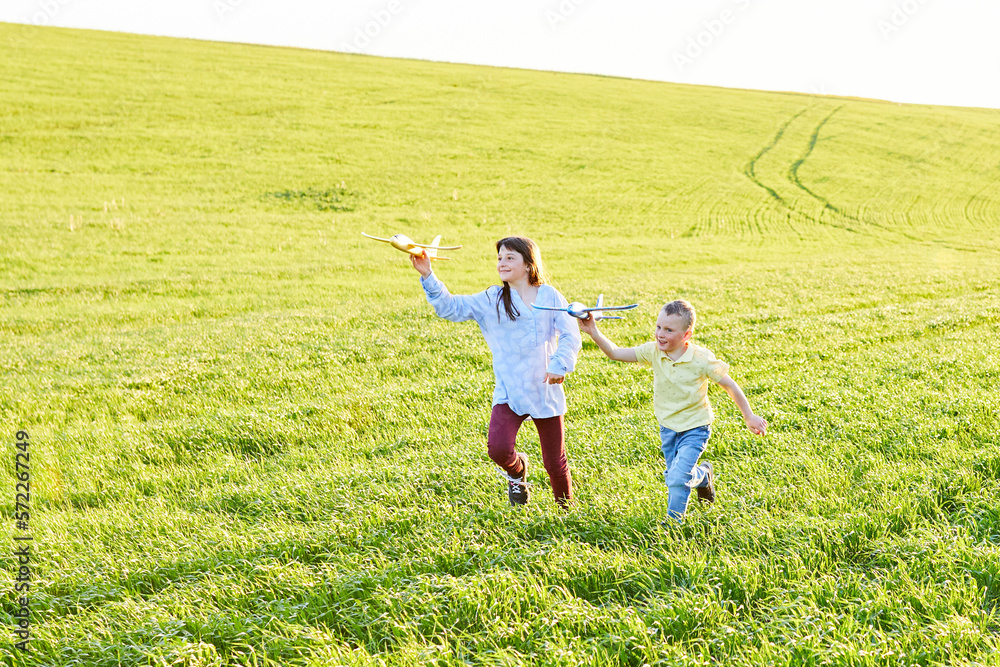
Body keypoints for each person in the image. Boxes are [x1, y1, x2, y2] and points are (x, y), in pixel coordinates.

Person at [410, 236, 581, 508]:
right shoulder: (492, 298)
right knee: (498, 449)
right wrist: (428, 274)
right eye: (499, 258)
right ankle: (517, 471)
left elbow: (570, 334)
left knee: (554, 463)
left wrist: (559, 364)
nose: (502, 262)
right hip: (510, 390)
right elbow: (450, 308)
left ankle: (567, 513)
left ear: (528, 264)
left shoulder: (550, 296)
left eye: (510, 257)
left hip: (545, 389)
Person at [578, 299, 767, 521]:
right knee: (675, 477)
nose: (660, 334)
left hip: (695, 427)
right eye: (658, 327)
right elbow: (616, 353)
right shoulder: (653, 352)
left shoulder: (700, 359)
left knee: (677, 478)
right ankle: (703, 476)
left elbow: (729, 385)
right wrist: (593, 332)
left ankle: (673, 524)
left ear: (686, 335)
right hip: (668, 427)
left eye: (668, 330)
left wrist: (749, 416)